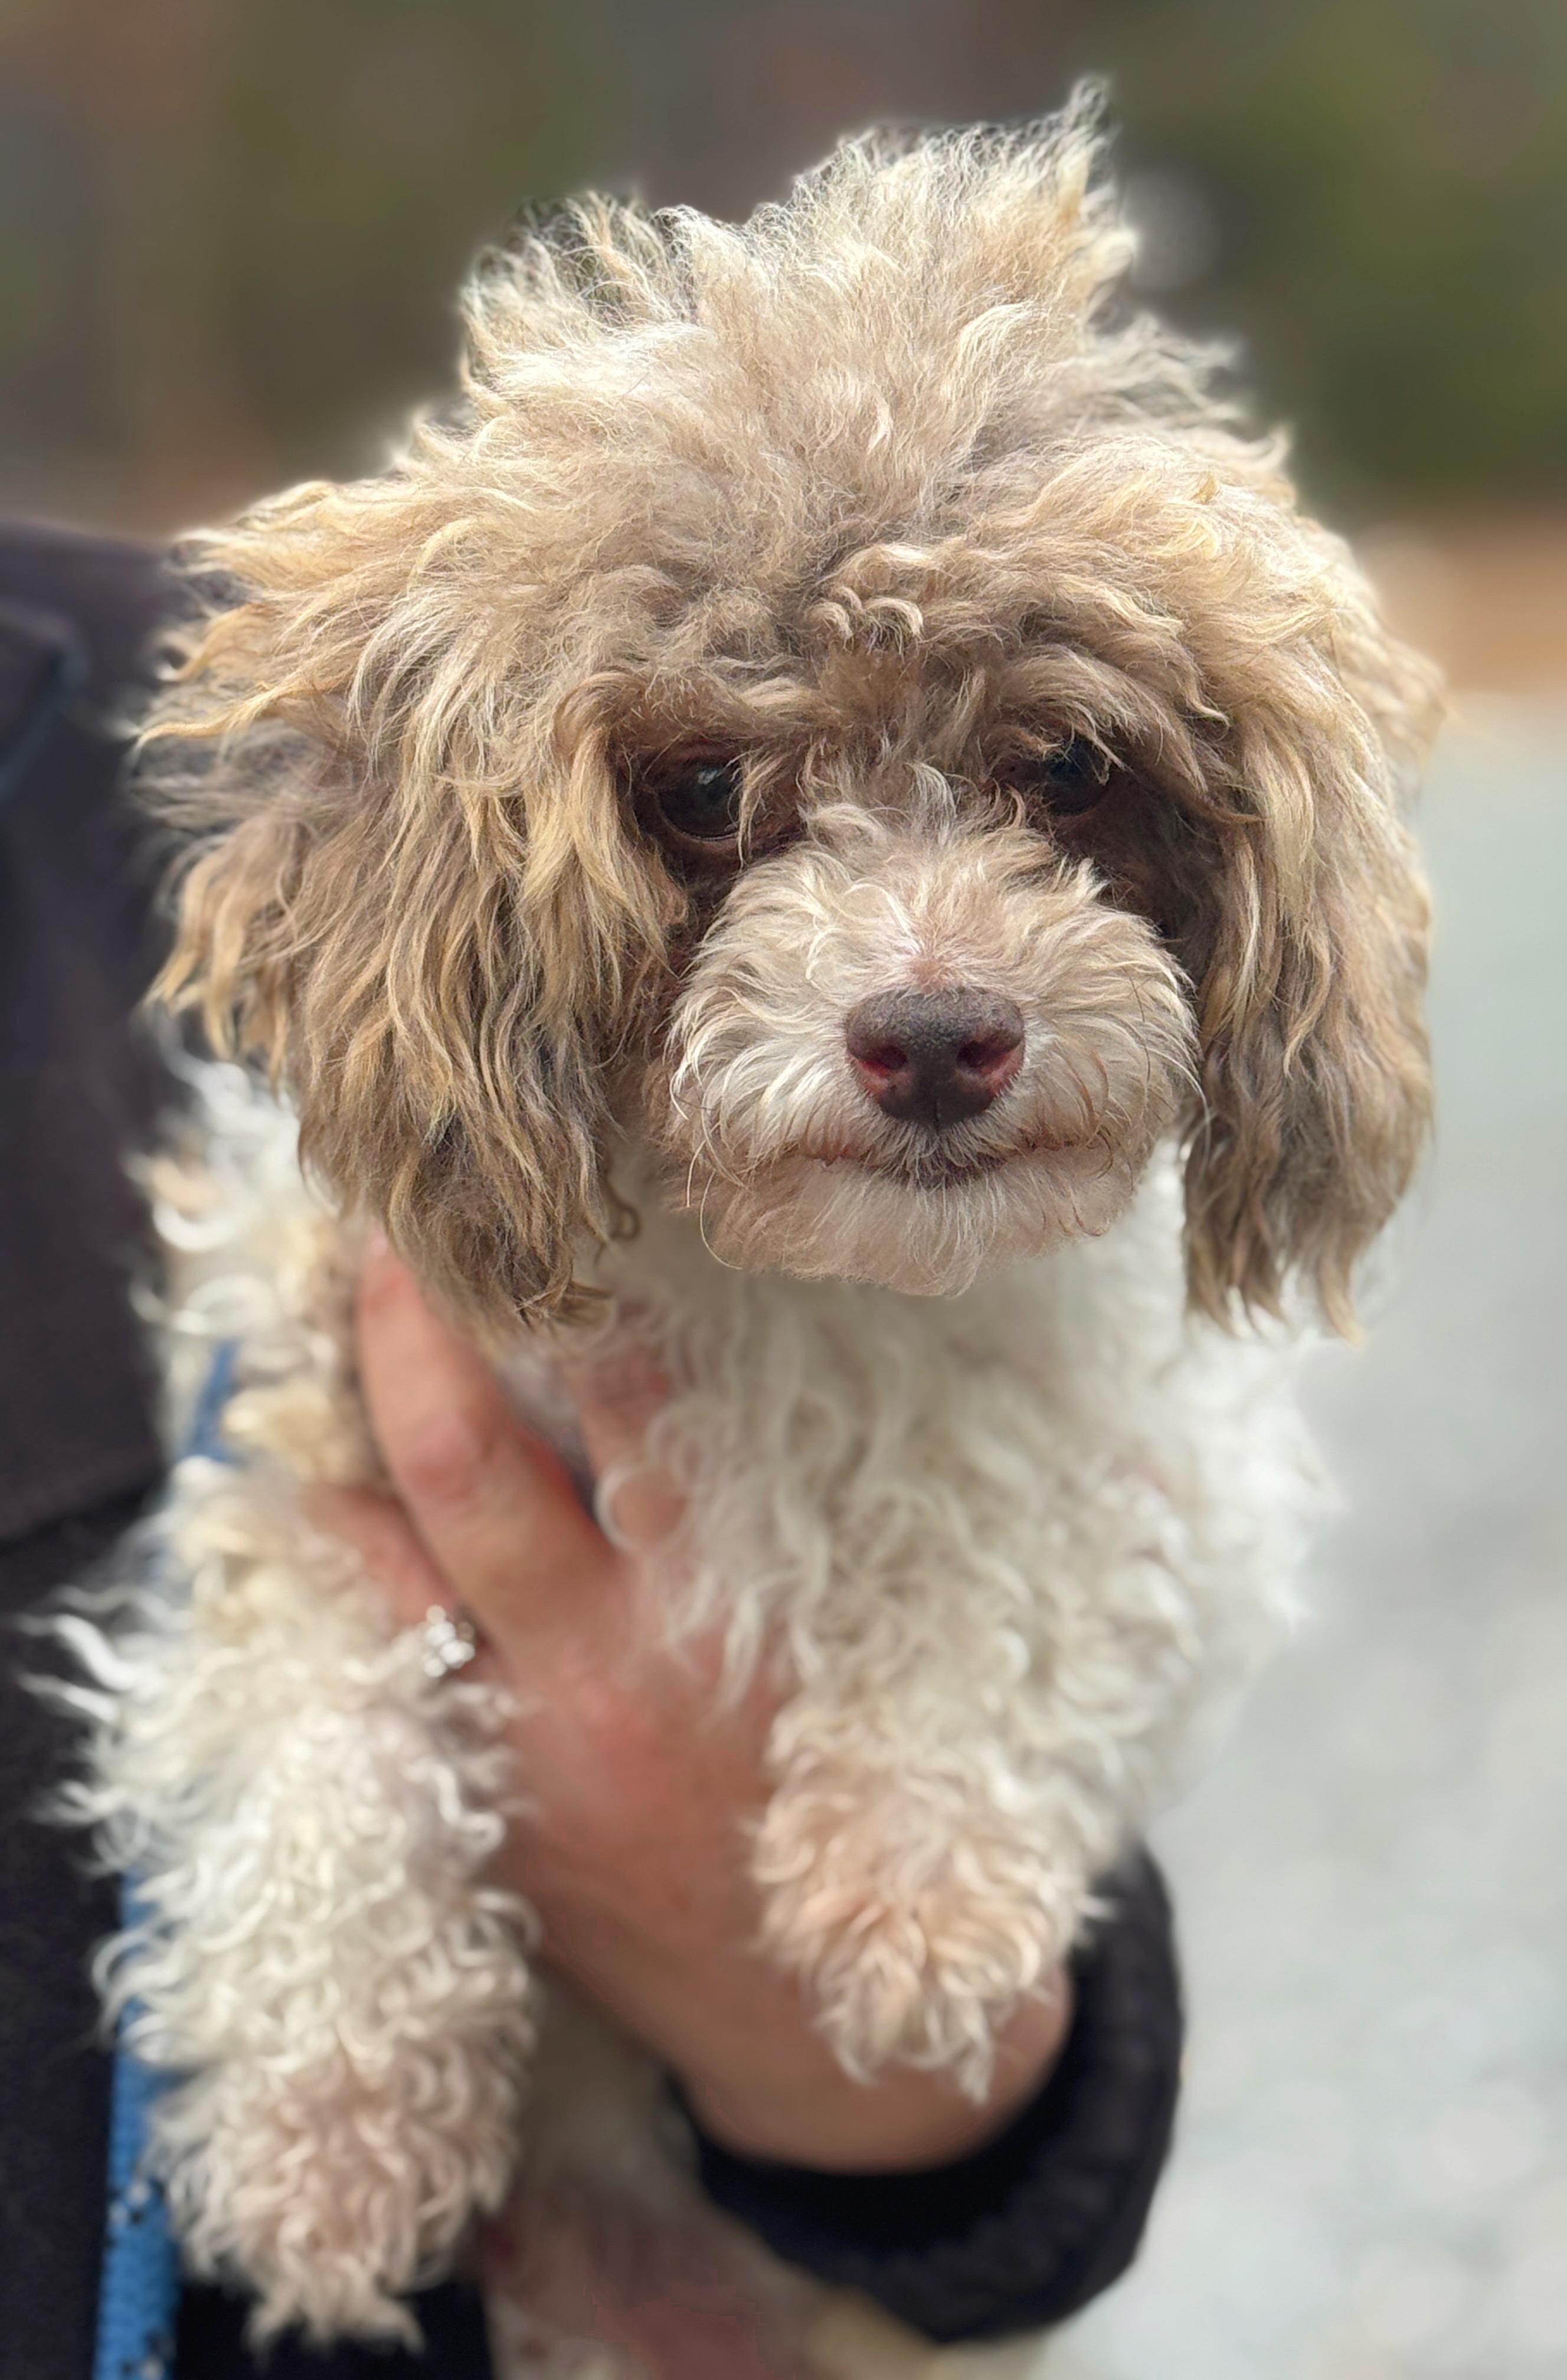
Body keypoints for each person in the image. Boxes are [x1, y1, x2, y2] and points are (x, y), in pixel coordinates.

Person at [0, 517, 1184, 2378]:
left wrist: (878, 2062)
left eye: (1046, 781)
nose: (927, 973)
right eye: (717, 795)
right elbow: (283, 1563)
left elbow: (1036, 2094)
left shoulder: (155, 683)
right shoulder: (361, 760)